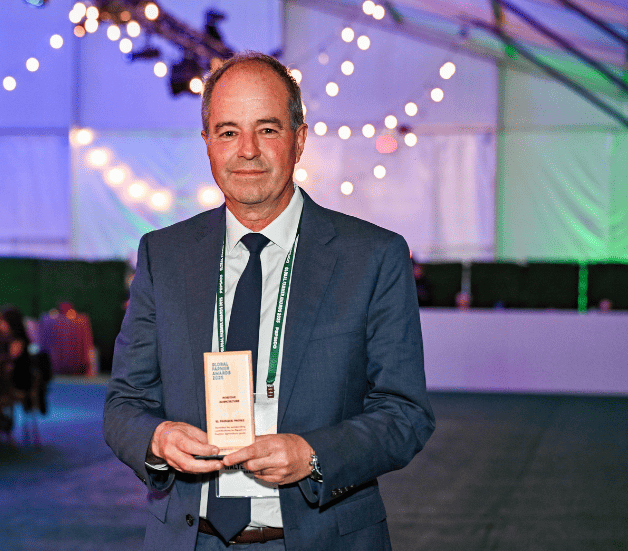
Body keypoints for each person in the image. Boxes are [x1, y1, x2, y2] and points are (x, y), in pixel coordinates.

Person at [103, 52, 435, 550]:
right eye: (229, 132)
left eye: (269, 129)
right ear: (208, 144)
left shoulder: (371, 256)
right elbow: (124, 404)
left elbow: (405, 412)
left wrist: (312, 455)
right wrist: (157, 440)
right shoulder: (164, 256)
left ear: (299, 140)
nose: (248, 151)